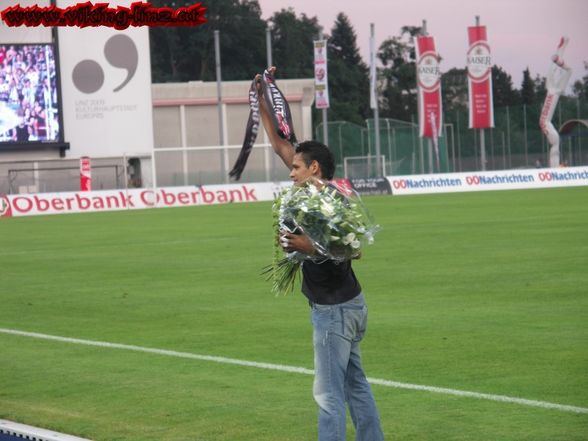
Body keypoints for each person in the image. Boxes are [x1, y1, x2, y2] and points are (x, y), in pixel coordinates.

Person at [257, 67, 385, 441]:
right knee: (355, 385)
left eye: (297, 167)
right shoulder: (317, 195)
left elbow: (352, 248)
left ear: (315, 168)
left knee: (329, 395)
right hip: (350, 305)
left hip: (334, 311)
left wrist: (307, 246)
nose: (290, 172)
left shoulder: (329, 202)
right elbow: (281, 144)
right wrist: (262, 96)